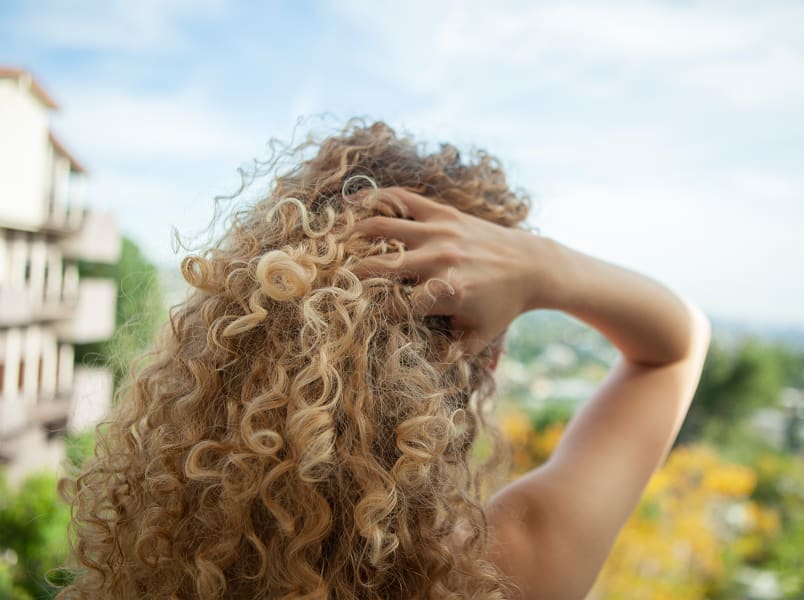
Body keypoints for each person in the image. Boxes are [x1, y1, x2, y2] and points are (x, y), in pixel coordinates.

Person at [57, 120, 711, 599]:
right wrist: (543, 266)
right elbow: (678, 346)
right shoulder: (502, 573)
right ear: (484, 355)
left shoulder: (162, 563)